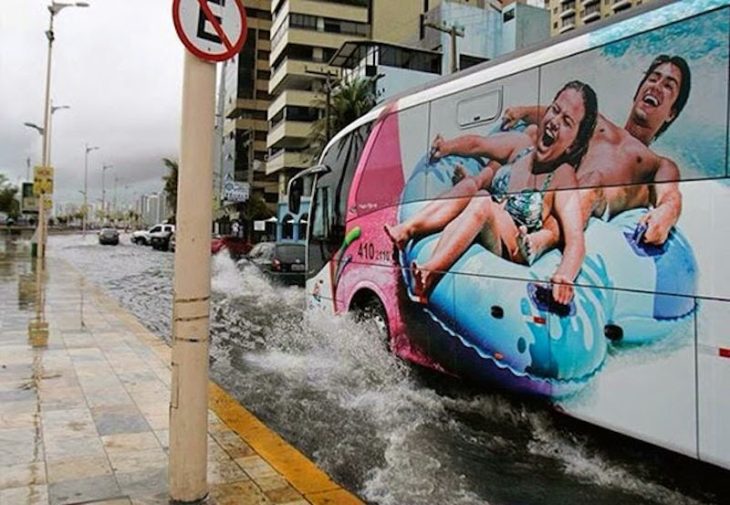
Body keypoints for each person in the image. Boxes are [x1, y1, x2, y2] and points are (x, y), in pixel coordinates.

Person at [387, 81, 598, 305]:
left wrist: (564, 275)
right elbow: (479, 144)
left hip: (512, 246)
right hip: (485, 219)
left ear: (573, 145)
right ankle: (407, 229)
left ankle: (430, 272)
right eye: (555, 110)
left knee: (482, 200)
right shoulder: (522, 147)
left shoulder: (562, 176)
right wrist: (448, 147)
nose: (555, 122)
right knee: (471, 189)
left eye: (566, 122)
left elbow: (576, 240)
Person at [501, 55, 691, 257]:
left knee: (593, 182)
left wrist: (666, 214)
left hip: (596, 195)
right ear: (637, 93)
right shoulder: (598, 122)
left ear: (671, 113)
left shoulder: (659, 163)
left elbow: (670, 196)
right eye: (653, 79)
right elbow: (558, 114)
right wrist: (521, 112)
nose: (656, 86)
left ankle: (542, 240)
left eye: (668, 86)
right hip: (559, 189)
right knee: (530, 136)